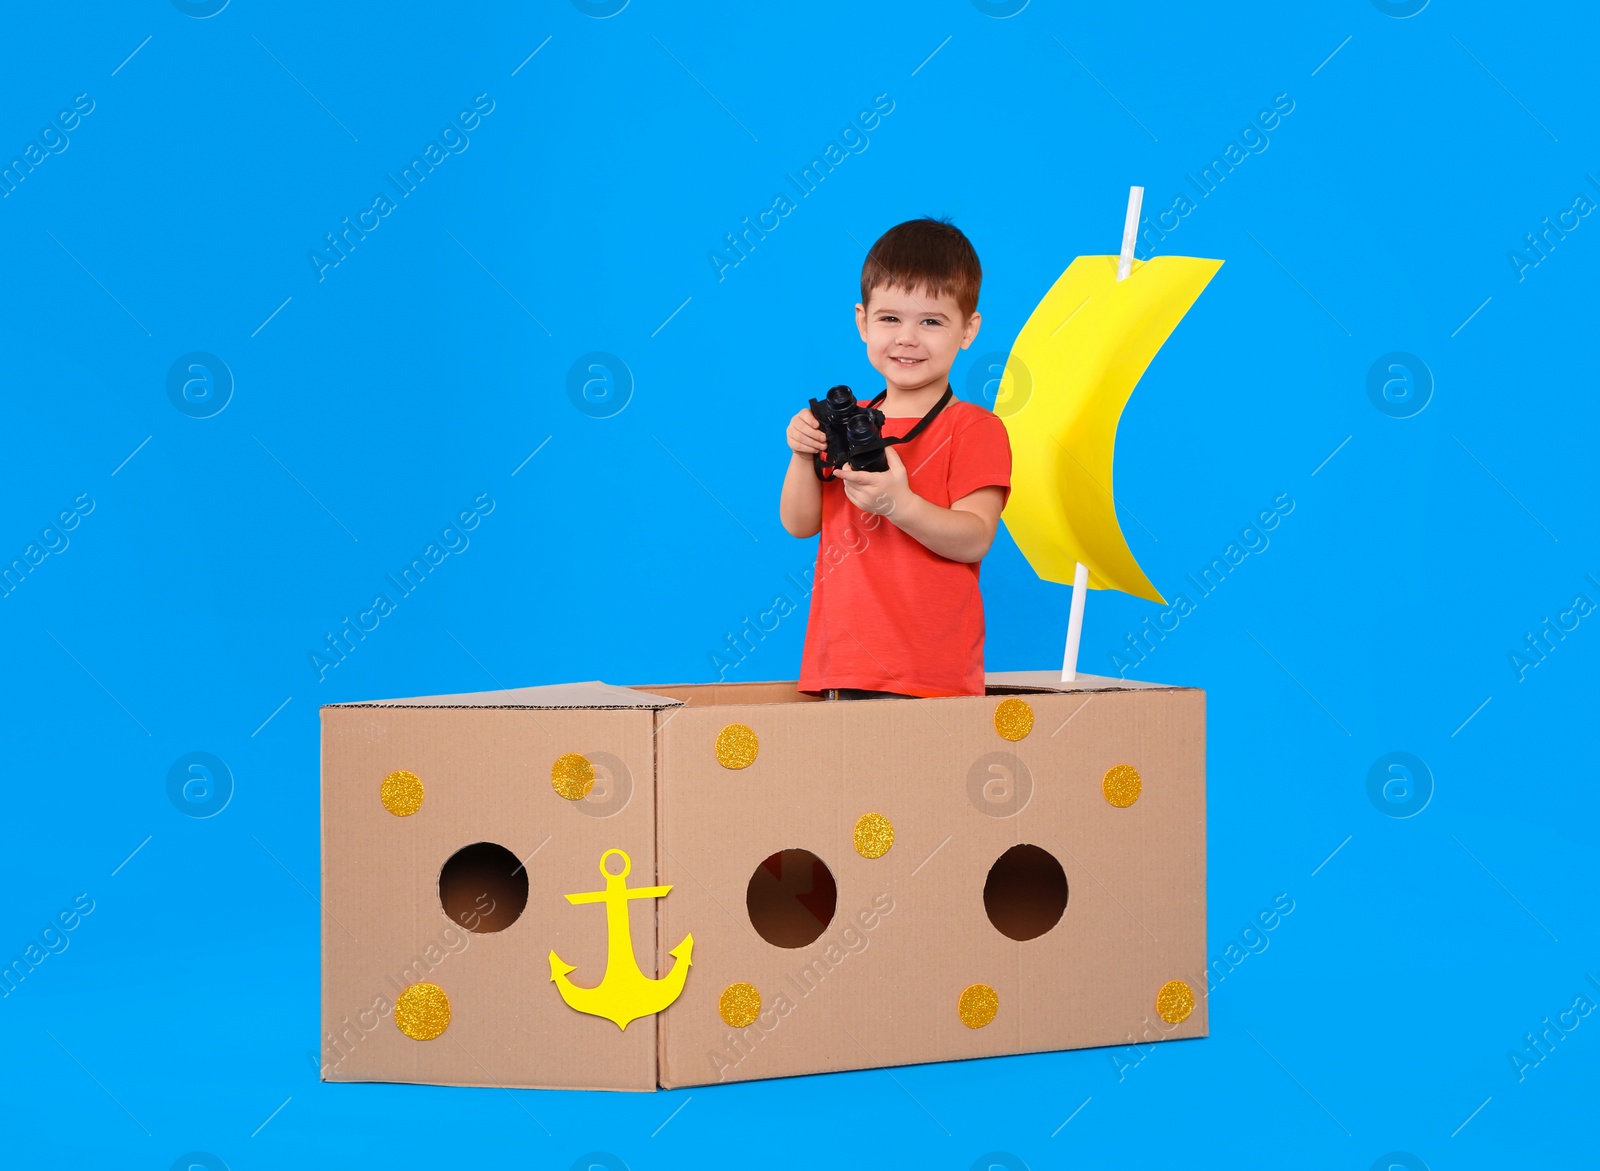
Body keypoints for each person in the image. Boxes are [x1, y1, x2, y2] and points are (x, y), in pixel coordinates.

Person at [779, 217, 1012, 699]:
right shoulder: (847, 423)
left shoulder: (973, 429)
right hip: (842, 664)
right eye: (890, 319)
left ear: (968, 330)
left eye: (931, 321)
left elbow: (974, 538)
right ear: (862, 321)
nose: (907, 337)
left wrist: (898, 505)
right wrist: (803, 454)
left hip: (929, 673)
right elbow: (800, 524)